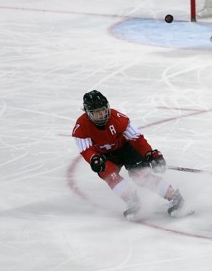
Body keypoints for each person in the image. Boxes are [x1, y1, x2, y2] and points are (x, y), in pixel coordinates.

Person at [72, 90, 192, 220]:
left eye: (103, 110)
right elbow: (86, 150)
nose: (101, 115)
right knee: (110, 175)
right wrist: (94, 159)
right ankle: (132, 201)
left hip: (126, 149)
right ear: (88, 113)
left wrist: (150, 154)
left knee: (141, 175)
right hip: (104, 156)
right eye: (96, 112)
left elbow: (136, 138)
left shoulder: (118, 119)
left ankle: (174, 197)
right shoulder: (81, 127)